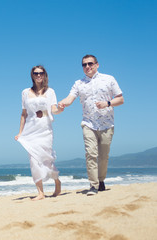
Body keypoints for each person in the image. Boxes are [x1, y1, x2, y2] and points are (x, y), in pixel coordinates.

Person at [58, 54, 124, 196]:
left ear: (97, 64)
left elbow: (121, 99)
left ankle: (101, 180)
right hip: (88, 123)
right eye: (84, 65)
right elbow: (70, 98)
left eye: (90, 64)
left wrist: (107, 103)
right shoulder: (79, 83)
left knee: (103, 156)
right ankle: (93, 185)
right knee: (91, 154)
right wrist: (63, 103)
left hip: (107, 124)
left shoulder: (109, 79)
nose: (87, 67)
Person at [15, 65, 64, 201]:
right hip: (30, 131)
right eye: (36, 73)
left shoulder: (50, 91)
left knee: (46, 158)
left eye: (41, 73)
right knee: (33, 160)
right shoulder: (25, 92)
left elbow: (53, 109)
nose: (38, 75)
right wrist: (20, 133)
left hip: (45, 130)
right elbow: (24, 114)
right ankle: (40, 193)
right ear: (32, 75)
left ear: (44, 75)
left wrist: (60, 109)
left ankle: (57, 182)